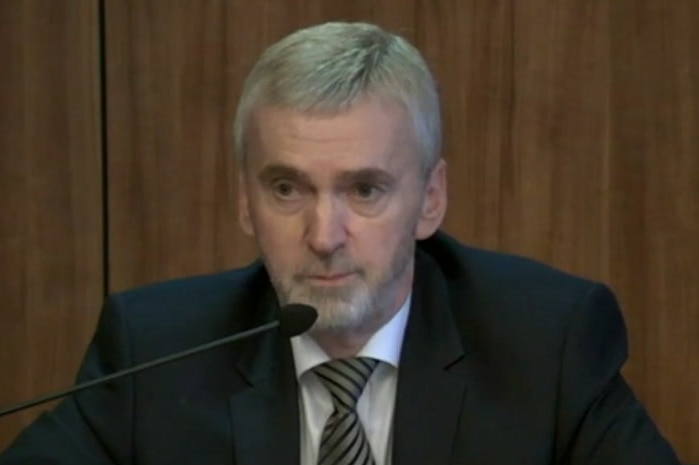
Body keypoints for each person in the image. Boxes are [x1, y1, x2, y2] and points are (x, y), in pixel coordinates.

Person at [0, 21, 682, 465]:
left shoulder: (545, 343)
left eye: (365, 190)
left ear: (430, 200)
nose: (324, 237)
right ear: (245, 200)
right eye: (287, 189)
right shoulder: (154, 354)